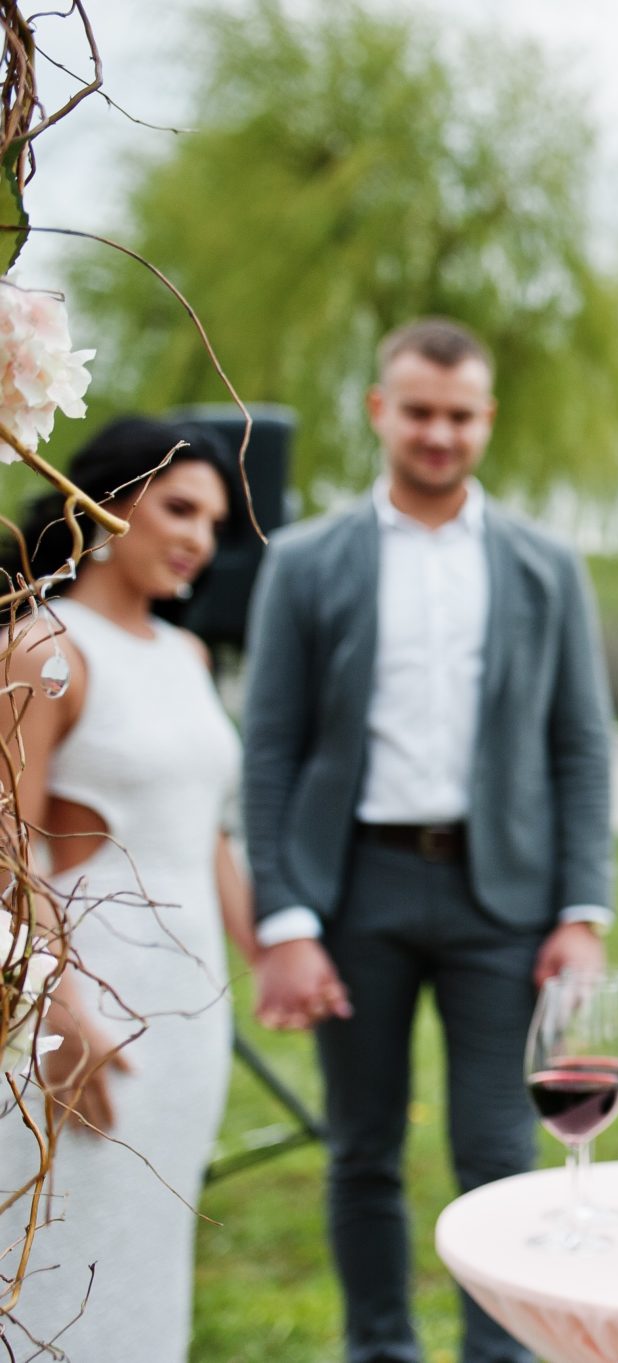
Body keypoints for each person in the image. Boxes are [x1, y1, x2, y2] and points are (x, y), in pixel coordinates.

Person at [241, 317, 615, 1363]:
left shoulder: (545, 568)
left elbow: (581, 748)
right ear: (379, 412)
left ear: (485, 420)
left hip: (504, 903)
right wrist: (284, 918)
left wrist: (582, 914)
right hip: (352, 892)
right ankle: (380, 1350)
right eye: (418, 412)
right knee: (361, 1151)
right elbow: (267, 749)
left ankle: (500, 1354)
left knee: (497, 1152)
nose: (438, 434)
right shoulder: (310, 563)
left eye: (459, 415)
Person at [1, 418, 251, 1361]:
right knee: (65, 1257)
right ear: (104, 498)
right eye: (179, 507)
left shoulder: (185, 658)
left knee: (153, 1249)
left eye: (214, 523)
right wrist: (56, 1013)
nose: (198, 538)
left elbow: (206, 829)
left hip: (191, 1009)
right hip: (85, 1000)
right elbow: (6, 841)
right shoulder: (43, 643)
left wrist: (271, 952)